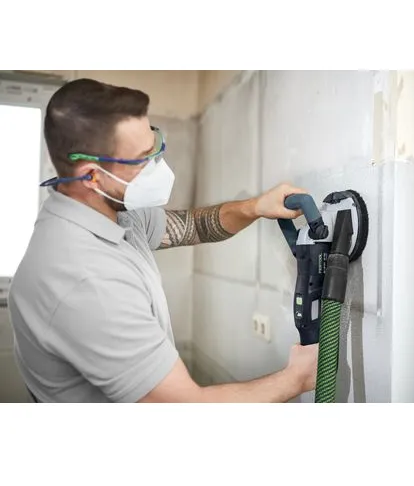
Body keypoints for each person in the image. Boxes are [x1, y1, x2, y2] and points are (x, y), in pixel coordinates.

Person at [8, 78, 318, 403]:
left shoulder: (111, 211)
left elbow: (193, 227)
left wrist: (255, 207)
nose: (156, 163)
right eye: (142, 158)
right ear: (91, 176)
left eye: (155, 143)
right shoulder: (84, 279)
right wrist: (297, 377)